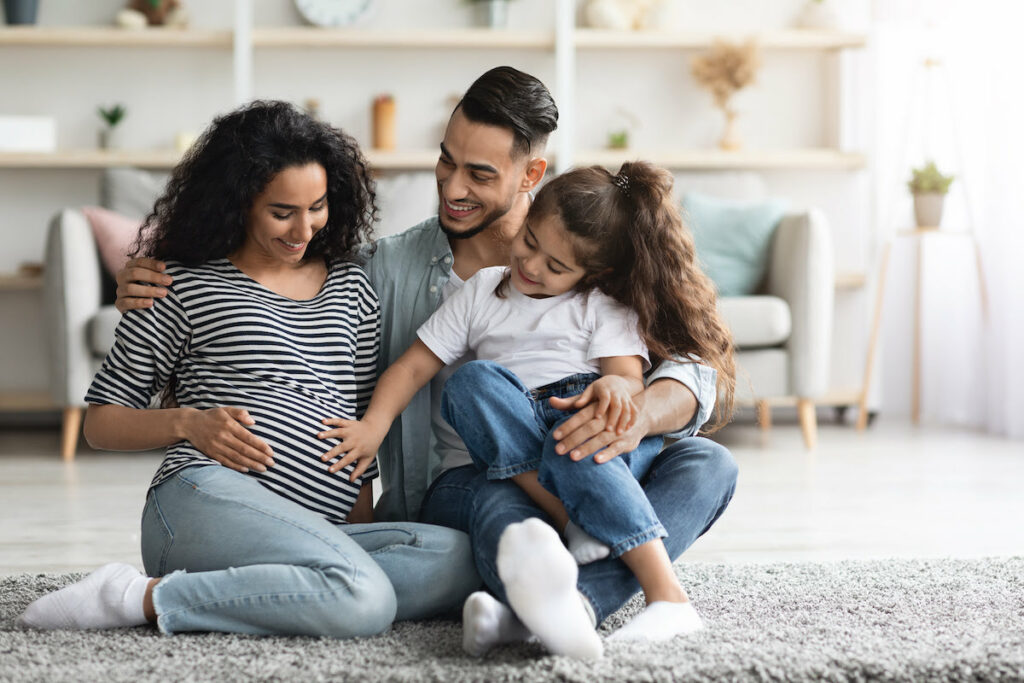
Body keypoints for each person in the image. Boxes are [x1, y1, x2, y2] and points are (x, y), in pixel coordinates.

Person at [110, 67, 739, 657]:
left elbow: (691, 372)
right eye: (445, 159)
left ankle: (571, 598)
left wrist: (631, 409)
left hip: (587, 456)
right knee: (485, 428)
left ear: (531, 175)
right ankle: (580, 560)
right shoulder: (383, 269)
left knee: (707, 461)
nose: (453, 186)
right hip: (471, 484)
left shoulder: (587, 248)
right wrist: (157, 268)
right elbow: (279, 248)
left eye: (479, 173)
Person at [18, 100, 477, 638]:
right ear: (238, 204)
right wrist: (187, 422)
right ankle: (138, 596)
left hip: (316, 529)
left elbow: (355, 440)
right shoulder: (178, 284)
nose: (303, 228)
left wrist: (356, 536)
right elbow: (100, 423)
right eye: (282, 211)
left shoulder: (352, 287)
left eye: (317, 206)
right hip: (202, 500)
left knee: (460, 558)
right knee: (366, 598)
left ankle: (304, 584)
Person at [315, 160, 736, 659]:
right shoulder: (482, 291)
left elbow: (624, 377)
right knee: (474, 384)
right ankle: (580, 525)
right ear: (528, 213)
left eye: (556, 266)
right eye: (530, 241)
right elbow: (411, 368)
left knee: (706, 462)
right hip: (503, 460)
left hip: (584, 442)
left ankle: (562, 607)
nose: (532, 267)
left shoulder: (601, 304)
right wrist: (373, 425)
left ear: (591, 273)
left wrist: (618, 393)